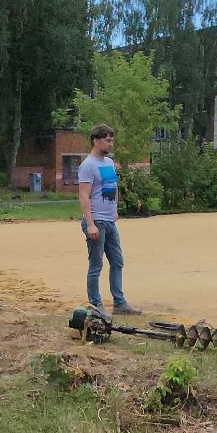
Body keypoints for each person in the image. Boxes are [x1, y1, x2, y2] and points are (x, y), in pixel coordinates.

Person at [77, 124, 139, 315]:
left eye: (112, 140)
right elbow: (83, 195)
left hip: (109, 221)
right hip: (96, 222)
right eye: (108, 140)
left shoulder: (109, 163)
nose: (111, 144)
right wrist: (90, 224)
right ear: (96, 141)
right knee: (96, 265)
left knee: (117, 262)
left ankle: (119, 303)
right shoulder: (88, 165)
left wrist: (115, 209)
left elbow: (113, 186)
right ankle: (96, 305)